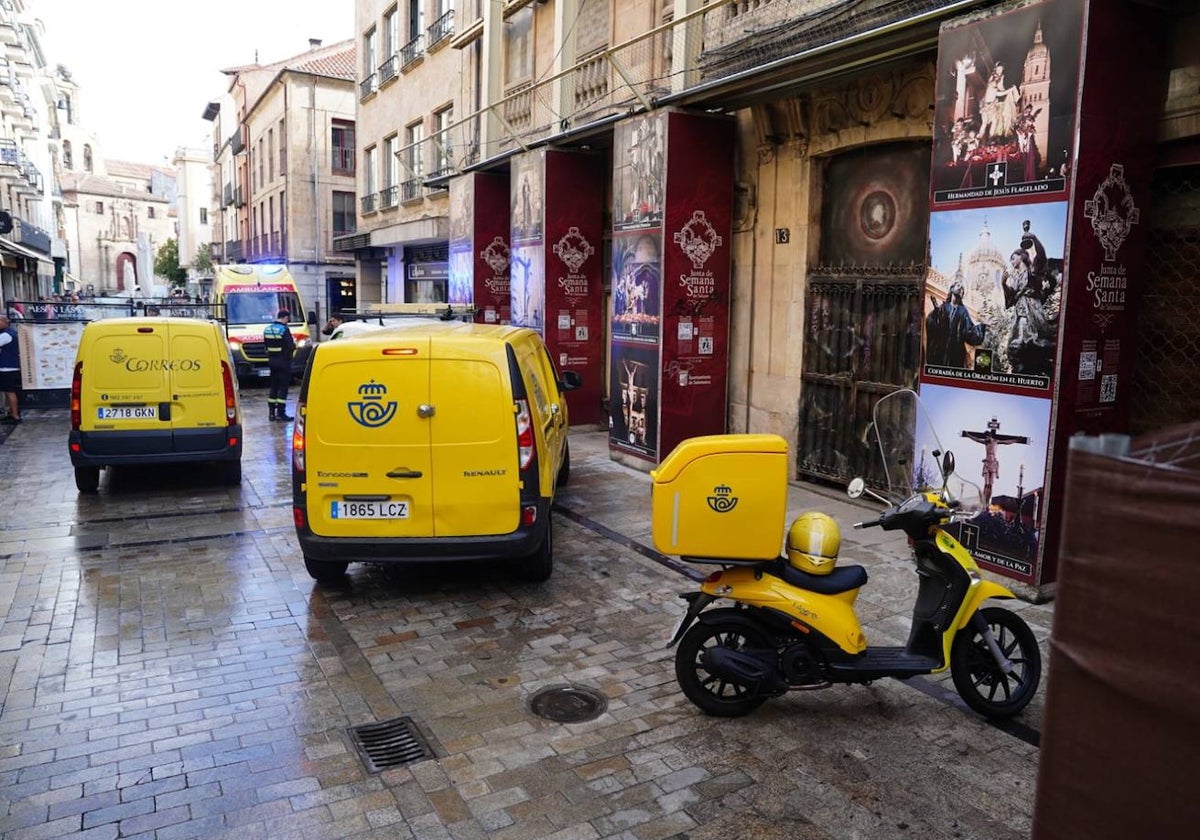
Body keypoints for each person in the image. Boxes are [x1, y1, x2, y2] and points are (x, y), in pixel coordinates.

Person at [263, 308, 295, 422]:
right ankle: (281, 413)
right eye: (288, 319)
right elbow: (291, 346)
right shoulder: (284, 329)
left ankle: (271, 413)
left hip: (272, 361)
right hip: (283, 362)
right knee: (283, 387)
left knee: (274, 386)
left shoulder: (267, 329)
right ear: (285, 317)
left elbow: (266, 346)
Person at [0, 314, 21, 425]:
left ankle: (15, 415)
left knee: (10, 392)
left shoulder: (6, 335)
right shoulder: (12, 333)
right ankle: (11, 412)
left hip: (7, 368)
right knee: (8, 392)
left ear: (4, 322)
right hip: (10, 366)